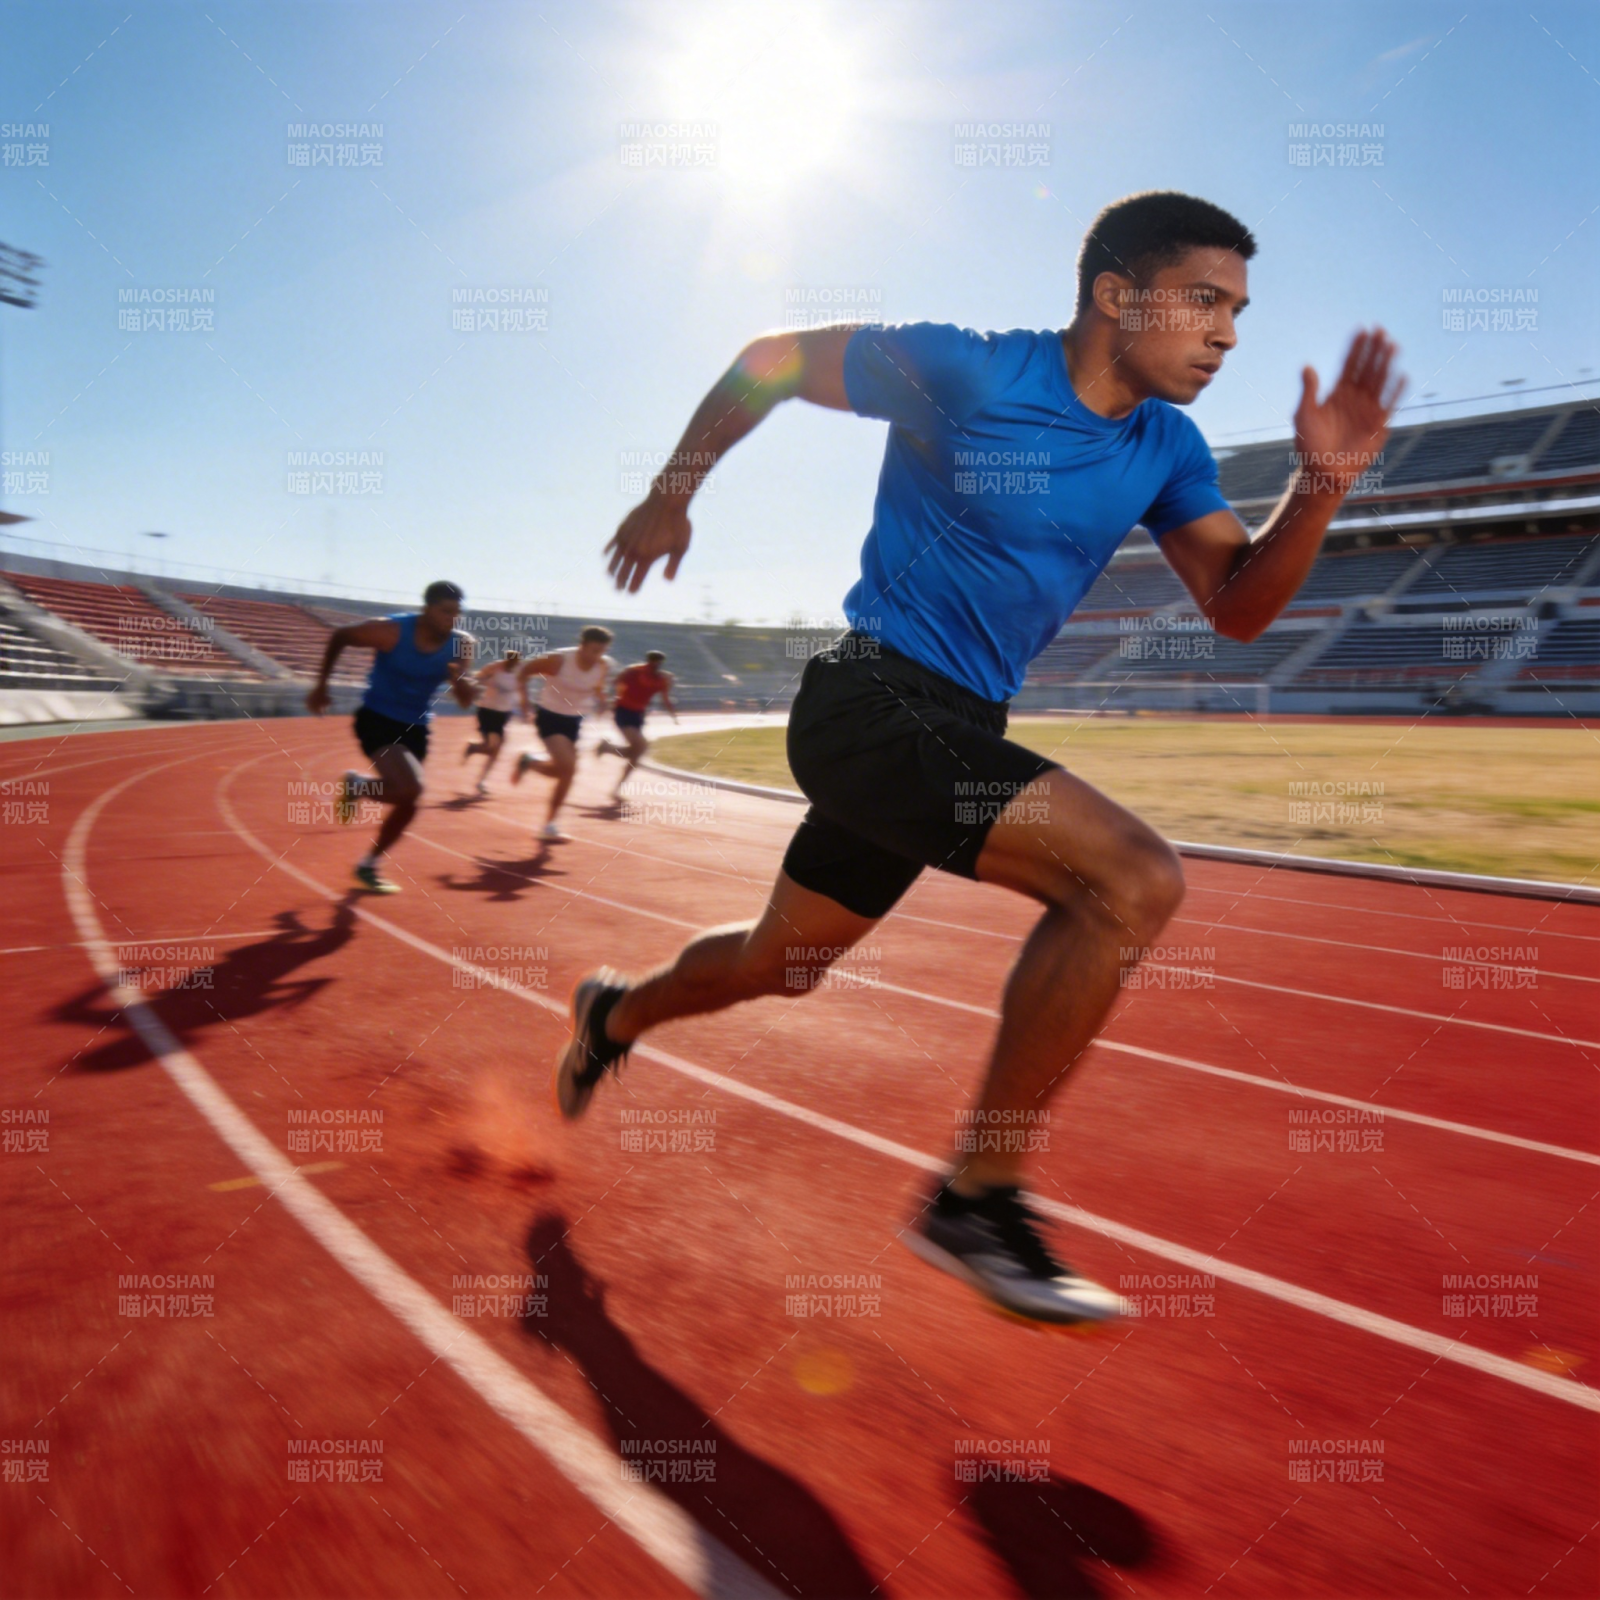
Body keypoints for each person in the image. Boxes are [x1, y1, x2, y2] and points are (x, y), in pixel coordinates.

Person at [556, 191, 1402, 1326]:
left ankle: (613, 1014)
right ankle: (979, 1191)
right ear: (1116, 295)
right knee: (1131, 878)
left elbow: (1238, 607)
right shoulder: (965, 371)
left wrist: (1323, 487)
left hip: (962, 727)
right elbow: (765, 359)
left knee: (782, 963)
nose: (1228, 335)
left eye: (1239, 310)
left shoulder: (1165, 445)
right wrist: (672, 492)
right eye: (1205, 300)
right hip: (867, 703)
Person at [306, 580, 476, 893]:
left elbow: (465, 700)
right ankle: (358, 787)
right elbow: (341, 635)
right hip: (377, 718)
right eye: (445, 611)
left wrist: (461, 683)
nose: (452, 618)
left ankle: (368, 863)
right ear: (426, 610)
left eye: (457, 613)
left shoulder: (461, 644)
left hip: (417, 726)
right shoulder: (393, 631)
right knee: (412, 787)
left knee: (409, 800)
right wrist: (321, 686)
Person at [511, 626, 615, 841]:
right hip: (550, 716)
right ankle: (549, 827)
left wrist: (603, 699)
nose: (597, 656)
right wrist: (524, 701)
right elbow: (523, 671)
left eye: (602, 651)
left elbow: (597, 686)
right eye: (594, 650)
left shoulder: (602, 665)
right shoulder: (558, 660)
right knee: (569, 767)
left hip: (575, 721)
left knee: (564, 772)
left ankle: (529, 762)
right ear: (582, 646)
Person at [597, 649, 679, 799]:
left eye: (658, 662)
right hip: (623, 712)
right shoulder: (633, 671)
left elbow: (666, 698)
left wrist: (673, 714)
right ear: (648, 660)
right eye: (653, 661)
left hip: (638, 715)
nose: (655, 664)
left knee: (637, 752)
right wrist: (613, 698)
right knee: (641, 746)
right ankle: (615, 789)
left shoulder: (662, 679)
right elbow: (615, 683)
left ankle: (608, 750)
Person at [462, 648, 522, 794]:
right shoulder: (494, 668)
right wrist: (479, 682)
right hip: (488, 711)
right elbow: (478, 679)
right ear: (506, 659)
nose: (513, 664)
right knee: (494, 747)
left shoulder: (519, 672)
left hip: (504, 714)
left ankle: (481, 778)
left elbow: (521, 689)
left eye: (515, 662)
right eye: (510, 661)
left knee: (495, 748)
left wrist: (525, 708)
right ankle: (481, 777)